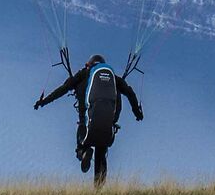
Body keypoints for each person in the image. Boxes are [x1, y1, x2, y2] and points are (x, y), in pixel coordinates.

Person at [34, 54, 143, 185]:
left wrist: (43, 101)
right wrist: (137, 113)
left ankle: (83, 151)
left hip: (87, 128)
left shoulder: (83, 75)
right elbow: (130, 93)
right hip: (108, 130)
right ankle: (98, 191)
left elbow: (62, 90)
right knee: (101, 153)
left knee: (82, 135)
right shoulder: (114, 79)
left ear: (88, 65)